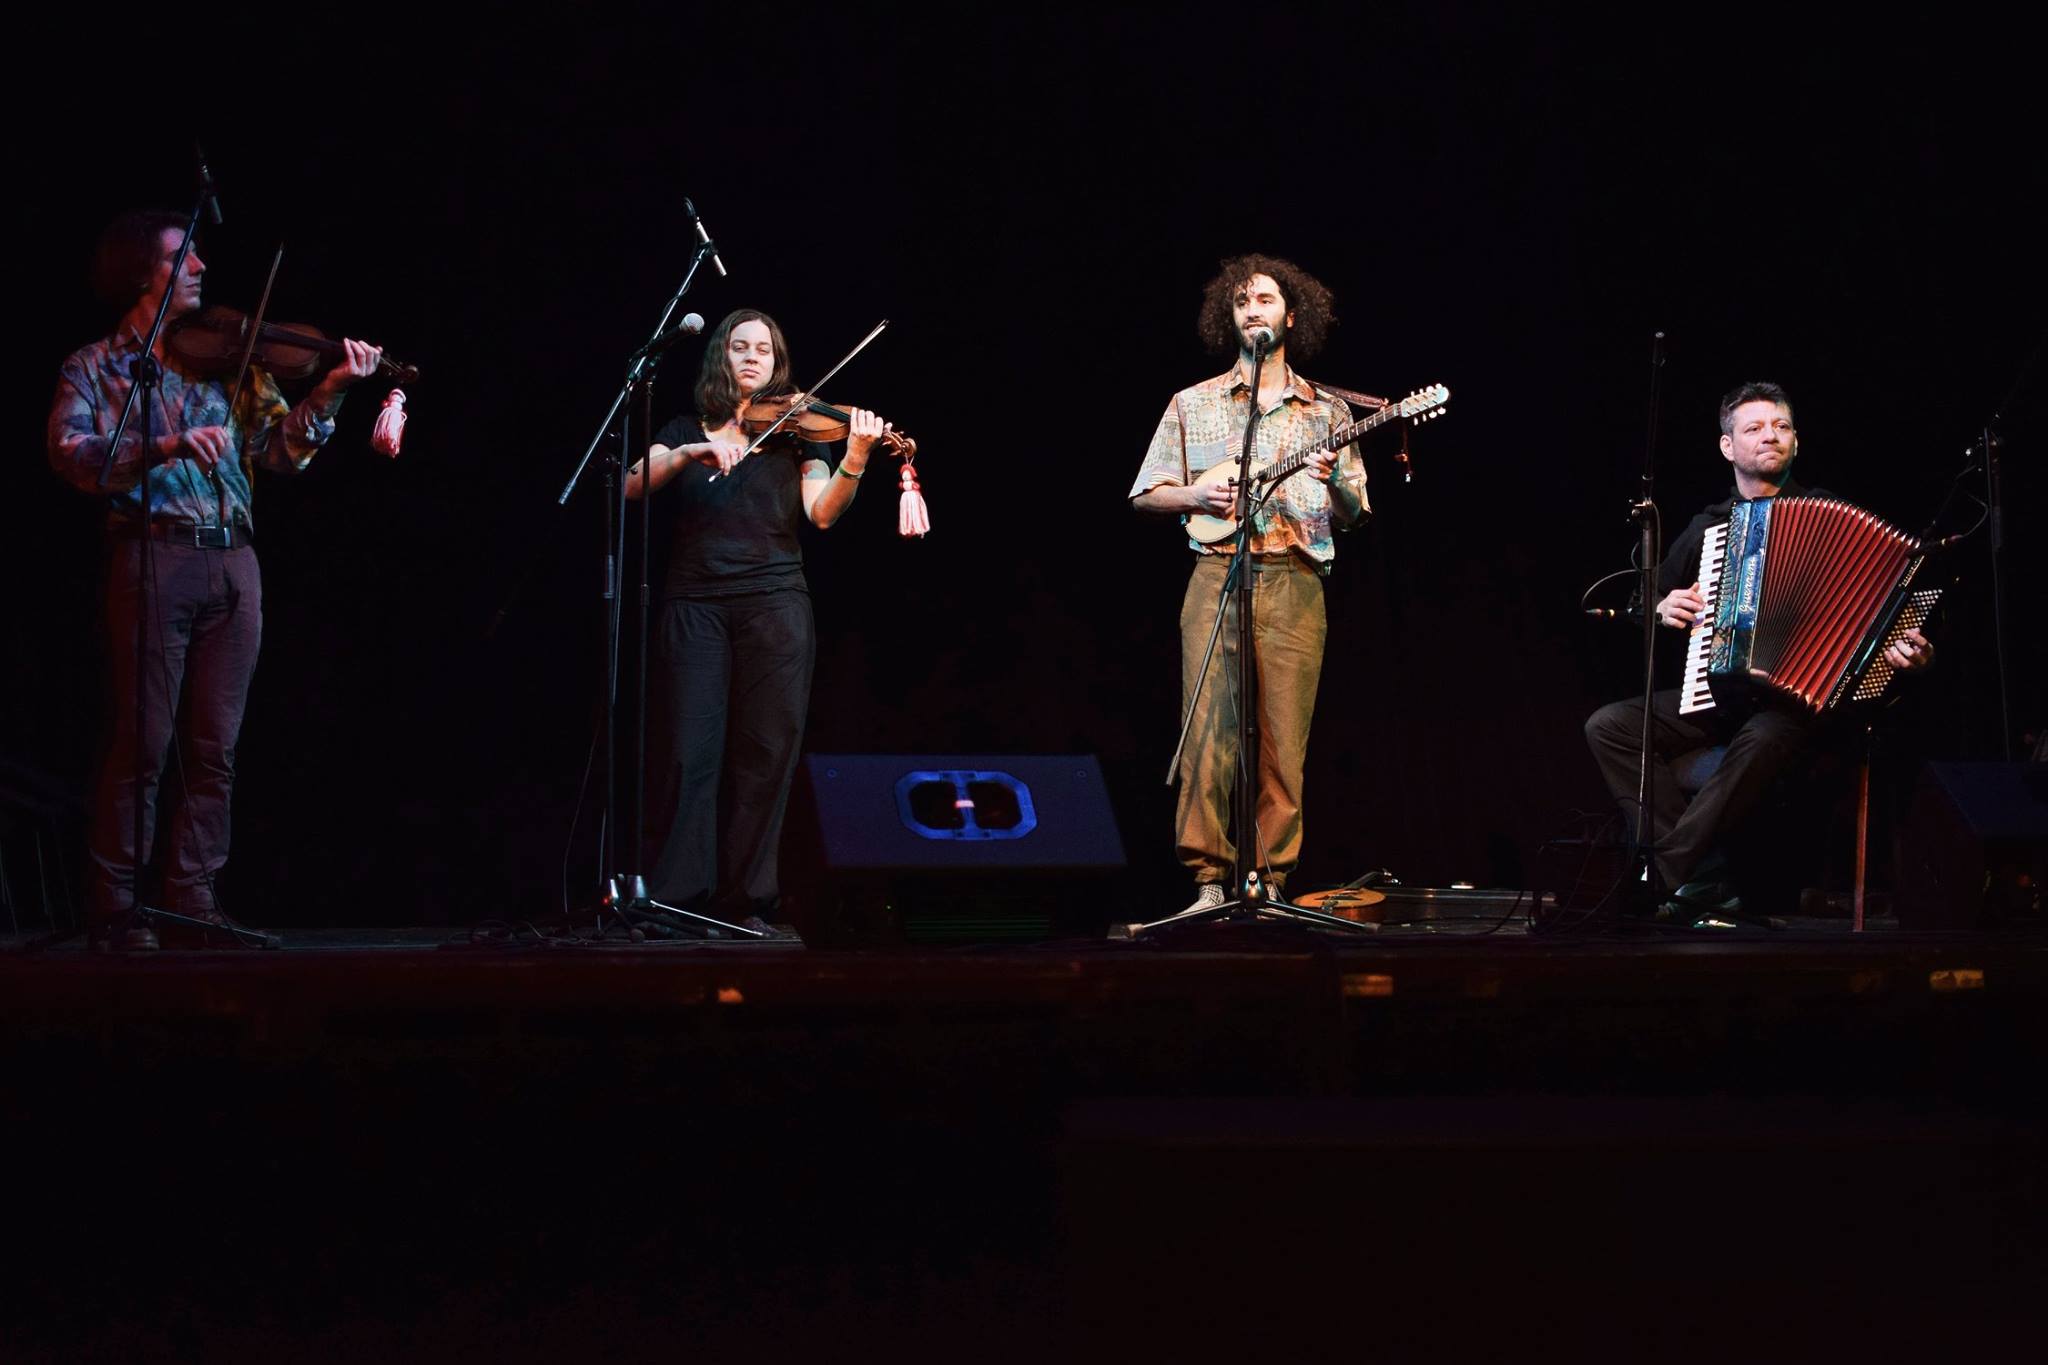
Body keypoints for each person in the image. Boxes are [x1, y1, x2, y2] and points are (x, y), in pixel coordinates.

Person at [47, 209, 384, 950]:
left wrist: (328, 390)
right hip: (152, 554)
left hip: (234, 560)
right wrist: (164, 443)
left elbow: (278, 454)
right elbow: (73, 457)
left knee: (213, 747)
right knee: (143, 741)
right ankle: (118, 907)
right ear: (144, 272)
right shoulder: (96, 366)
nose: (200, 266)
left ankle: (193, 901)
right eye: (183, 256)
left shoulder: (234, 361)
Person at [1584, 380, 1933, 921]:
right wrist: (1660, 608)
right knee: (1609, 725)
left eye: (1781, 426)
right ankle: (1704, 878)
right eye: (1754, 428)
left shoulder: (1831, 517)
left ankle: (1666, 876)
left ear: (1796, 441)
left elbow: (1892, 604)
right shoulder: (1707, 528)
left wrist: (1905, 651)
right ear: (1729, 447)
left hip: (1802, 705)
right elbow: (1648, 597)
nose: (1770, 436)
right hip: (1720, 695)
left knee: (1770, 729)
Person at [625, 309, 882, 932]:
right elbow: (633, 485)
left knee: (765, 754)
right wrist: (689, 452)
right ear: (720, 357)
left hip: (774, 604)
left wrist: (855, 455)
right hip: (695, 605)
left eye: (763, 350)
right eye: (738, 347)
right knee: (690, 751)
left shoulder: (798, 435)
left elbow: (821, 514)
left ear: (776, 363)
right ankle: (679, 897)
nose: (751, 357)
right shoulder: (684, 428)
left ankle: (747, 900)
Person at [1129, 255, 1368, 911]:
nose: (1252, 309)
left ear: (1292, 315)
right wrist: (1197, 494)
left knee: (1282, 740)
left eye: (1264, 298)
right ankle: (1209, 881)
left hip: (1295, 578)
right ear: (1228, 318)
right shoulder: (1194, 402)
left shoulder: (1327, 411)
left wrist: (1333, 481)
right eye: (1241, 302)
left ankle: (1269, 883)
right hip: (1216, 574)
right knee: (1208, 731)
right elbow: (1146, 495)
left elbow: (1354, 513)